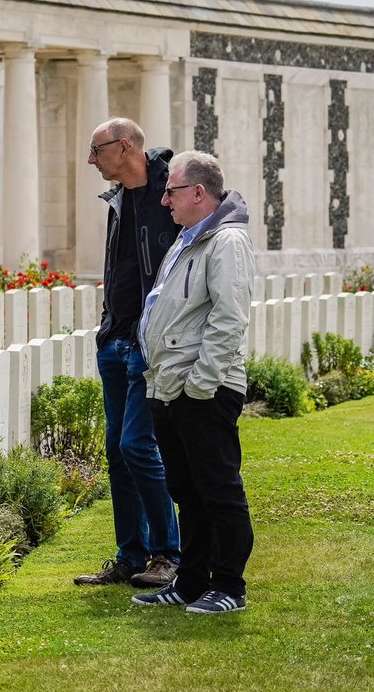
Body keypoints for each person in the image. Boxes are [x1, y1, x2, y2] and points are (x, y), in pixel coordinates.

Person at [131, 150, 255, 614]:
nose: (165, 200)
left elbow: (228, 319)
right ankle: (190, 583)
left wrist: (200, 384)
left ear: (199, 193)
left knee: (218, 490)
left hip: (203, 389)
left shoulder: (226, 242)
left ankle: (229, 586)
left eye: (172, 191)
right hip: (169, 386)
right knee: (186, 492)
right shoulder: (188, 240)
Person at [74, 117, 181, 588]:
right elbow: (118, 267)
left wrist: (154, 334)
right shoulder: (118, 200)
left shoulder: (170, 195)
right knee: (117, 452)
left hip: (149, 342)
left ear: (124, 147)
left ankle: (167, 554)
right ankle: (130, 555)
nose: (90, 160)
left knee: (138, 445)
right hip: (115, 340)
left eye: (97, 150)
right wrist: (106, 327)